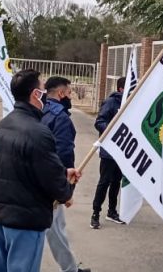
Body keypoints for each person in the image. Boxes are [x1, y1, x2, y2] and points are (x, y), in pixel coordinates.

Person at [0, 69, 80, 272]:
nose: (45, 94)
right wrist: (66, 190)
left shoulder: (5, 124)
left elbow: (3, 164)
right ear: (34, 94)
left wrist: (62, 174)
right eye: (42, 89)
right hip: (26, 220)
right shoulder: (38, 132)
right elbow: (50, 177)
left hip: (1, 216)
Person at [42, 76, 90, 272]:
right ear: (61, 93)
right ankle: (70, 270)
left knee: (55, 229)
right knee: (54, 230)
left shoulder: (38, 109)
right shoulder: (60, 118)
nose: (71, 97)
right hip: (52, 184)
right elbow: (63, 156)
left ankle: (70, 267)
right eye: (69, 93)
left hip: (37, 179)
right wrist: (66, 190)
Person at [90, 77, 126, 229]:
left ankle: (112, 211)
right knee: (104, 182)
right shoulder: (111, 102)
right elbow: (99, 122)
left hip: (122, 151)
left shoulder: (129, 104)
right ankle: (95, 213)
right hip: (109, 151)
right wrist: (112, 131)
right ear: (121, 89)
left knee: (116, 182)